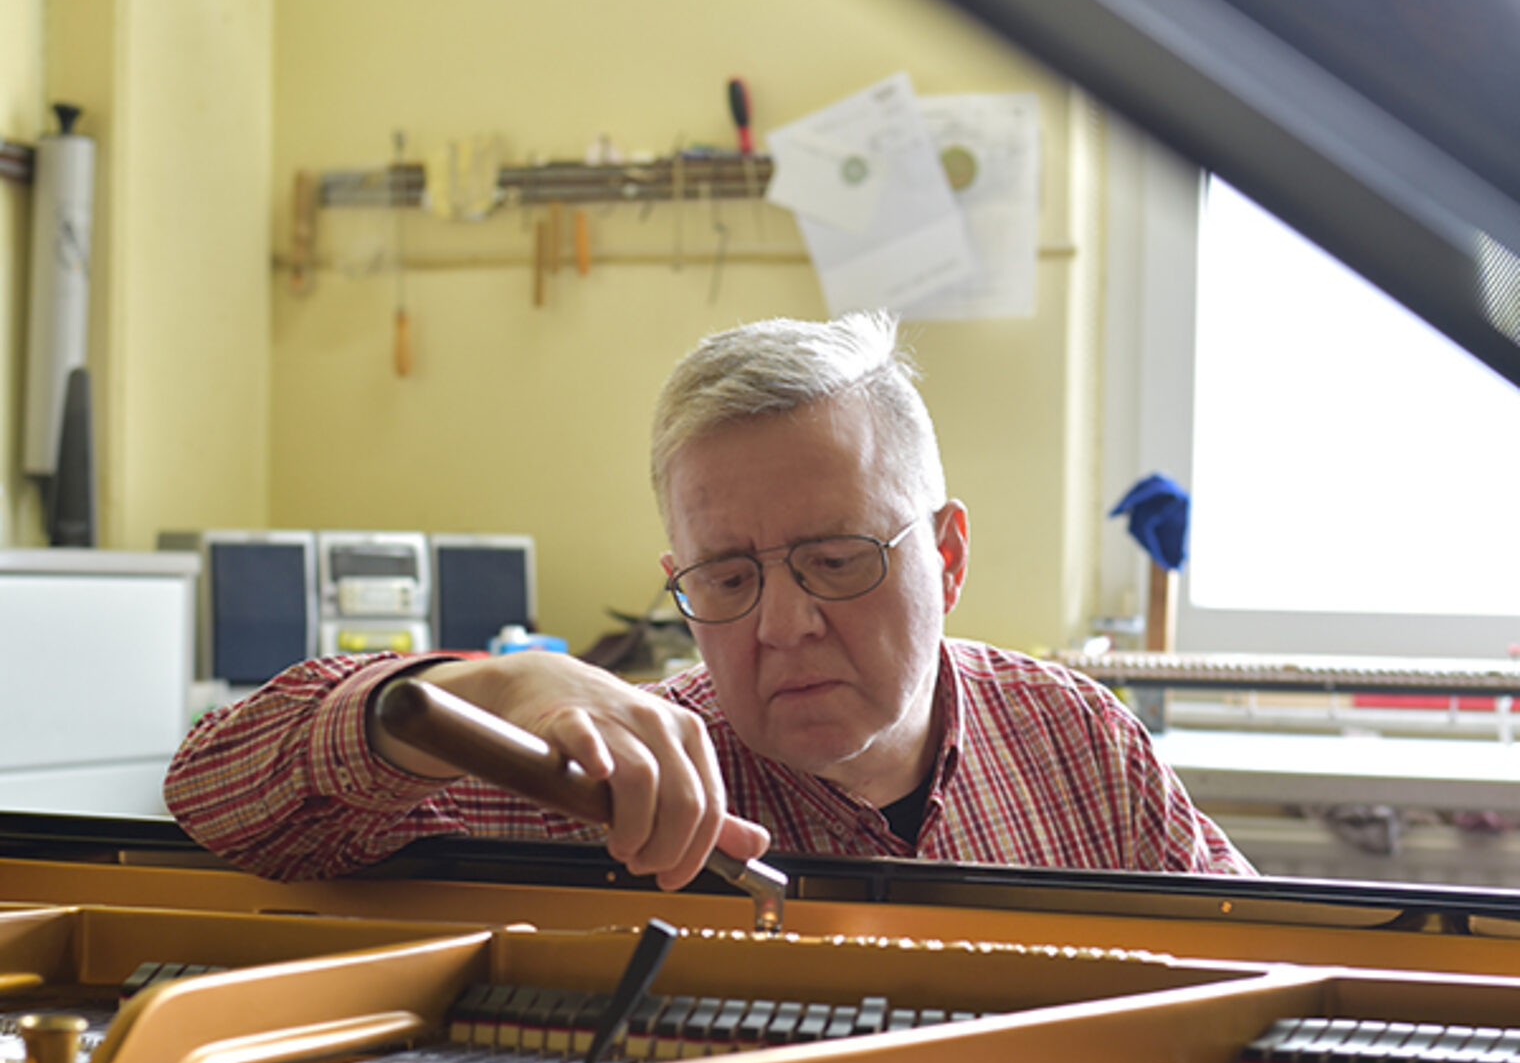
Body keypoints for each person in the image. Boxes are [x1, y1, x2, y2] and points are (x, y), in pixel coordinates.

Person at [164, 311, 1251, 884]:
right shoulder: (602, 783)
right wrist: (503, 686)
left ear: (948, 557)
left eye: (836, 559)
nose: (781, 625)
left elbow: (1276, 958)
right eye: (726, 579)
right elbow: (209, 794)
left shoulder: (1074, 743)